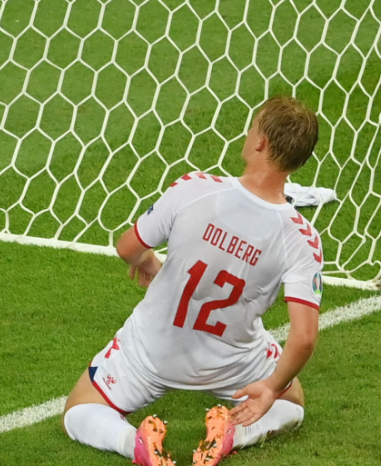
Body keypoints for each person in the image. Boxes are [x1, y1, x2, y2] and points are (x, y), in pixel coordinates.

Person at [62, 96, 323, 466]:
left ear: (260, 143)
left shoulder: (195, 187)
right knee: (292, 402)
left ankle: (134, 444)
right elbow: (304, 338)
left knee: (79, 409)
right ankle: (234, 432)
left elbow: (127, 248)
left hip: (151, 352)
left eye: (252, 128)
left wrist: (147, 260)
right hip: (234, 363)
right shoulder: (302, 238)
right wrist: (269, 389)